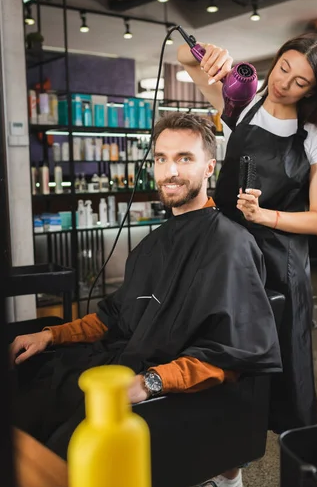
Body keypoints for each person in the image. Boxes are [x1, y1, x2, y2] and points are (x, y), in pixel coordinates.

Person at [10, 112, 282, 462]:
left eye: (185, 158)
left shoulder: (231, 246)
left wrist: (151, 382)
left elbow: (230, 355)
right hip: (113, 367)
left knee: (52, 454)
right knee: (27, 399)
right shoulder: (151, 246)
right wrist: (50, 335)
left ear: (209, 168)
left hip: (156, 397)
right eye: (161, 158)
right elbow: (116, 319)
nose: (170, 172)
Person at [177, 32, 317, 487]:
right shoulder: (241, 102)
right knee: (224, 371)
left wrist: (268, 217)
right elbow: (184, 56)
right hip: (226, 264)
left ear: (314, 91)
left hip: (280, 274)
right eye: (283, 68)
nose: (285, 83)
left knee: (290, 387)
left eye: (301, 80)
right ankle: (228, 478)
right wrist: (206, 54)